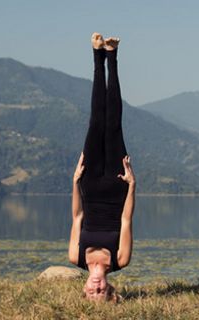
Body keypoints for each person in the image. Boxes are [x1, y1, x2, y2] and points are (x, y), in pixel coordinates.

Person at [68, 33, 136, 302]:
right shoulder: (121, 259)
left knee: (96, 123)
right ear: (109, 290)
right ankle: (113, 55)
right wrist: (132, 185)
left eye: (91, 291)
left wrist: (75, 182)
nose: (95, 286)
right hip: (117, 187)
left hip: (90, 184)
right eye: (101, 291)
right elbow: (126, 219)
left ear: (84, 290)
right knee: (113, 124)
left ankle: (98, 56)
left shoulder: (75, 256)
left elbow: (76, 217)